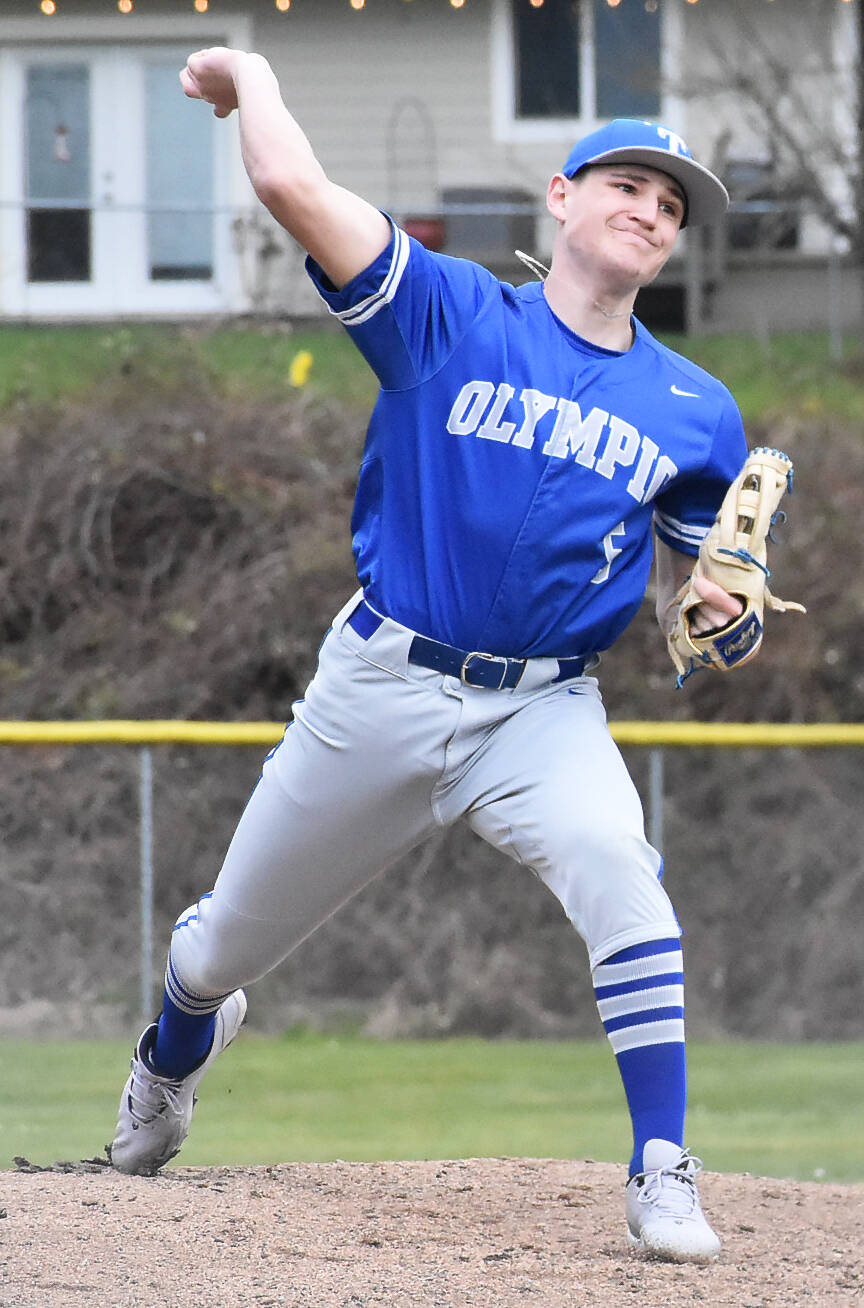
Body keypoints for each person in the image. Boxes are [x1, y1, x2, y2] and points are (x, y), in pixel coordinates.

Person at [110, 47, 750, 1267]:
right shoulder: (448, 313)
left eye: (671, 207)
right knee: (217, 949)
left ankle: (660, 1165)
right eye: (628, 185)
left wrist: (715, 614)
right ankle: (172, 1051)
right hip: (385, 685)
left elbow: (684, 590)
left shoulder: (696, 410)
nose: (651, 212)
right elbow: (297, 190)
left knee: (622, 864)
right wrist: (255, 77)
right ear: (560, 197)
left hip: (544, 711)